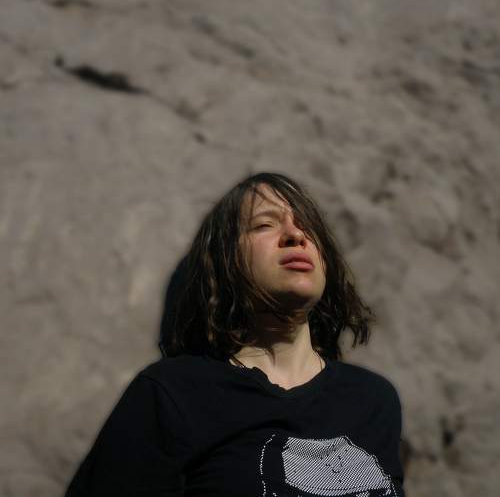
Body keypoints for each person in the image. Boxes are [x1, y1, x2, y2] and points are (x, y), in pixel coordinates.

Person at [65, 172, 405, 497]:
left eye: (307, 227)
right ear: (227, 260)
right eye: (264, 225)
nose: (295, 235)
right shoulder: (172, 394)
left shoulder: (372, 401)